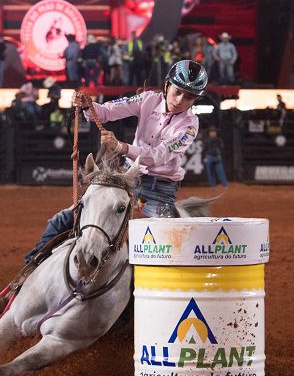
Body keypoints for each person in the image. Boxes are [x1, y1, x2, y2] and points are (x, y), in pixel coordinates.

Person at [25, 59, 208, 263]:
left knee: (168, 239)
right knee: (66, 217)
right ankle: (31, 266)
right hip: (128, 178)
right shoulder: (147, 99)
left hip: (159, 187)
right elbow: (107, 111)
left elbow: (159, 156)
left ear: (195, 100)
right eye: (178, 91)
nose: (181, 99)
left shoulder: (190, 125)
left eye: (189, 97)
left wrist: (121, 147)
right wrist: (89, 105)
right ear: (167, 85)